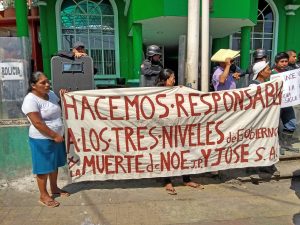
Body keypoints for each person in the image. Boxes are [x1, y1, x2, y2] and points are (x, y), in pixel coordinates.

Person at [21, 71, 70, 208]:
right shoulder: (30, 100)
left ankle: (54, 188)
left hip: (56, 138)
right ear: (33, 85)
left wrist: (62, 96)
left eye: (48, 81)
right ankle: (43, 195)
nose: (47, 84)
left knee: (53, 165)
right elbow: (37, 123)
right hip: (42, 139)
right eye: (43, 82)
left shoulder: (51, 94)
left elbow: (56, 108)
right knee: (43, 168)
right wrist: (54, 135)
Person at [155, 69, 203, 195]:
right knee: (167, 155)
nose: (174, 81)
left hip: (179, 127)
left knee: (184, 153)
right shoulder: (155, 94)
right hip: (164, 128)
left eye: (174, 78)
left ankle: (186, 179)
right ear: (165, 80)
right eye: (172, 78)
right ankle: (167, 181)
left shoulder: (177, 91)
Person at [248, 61, 280, 178]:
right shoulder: (253, 86)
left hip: (268, 120)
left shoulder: (267, 84)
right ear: (261, 72)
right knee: (256, 143)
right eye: (267, 69)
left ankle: (268, 164)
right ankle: (253, 169)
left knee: (269, 141)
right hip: (258, 121)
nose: (270, 71)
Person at [271, 52, 298, 154]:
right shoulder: (271, 73)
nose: (284, 63)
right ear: (276, 62)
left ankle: (286, 144)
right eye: (282, 61)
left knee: (291, 123)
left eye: (286, 61)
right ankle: (277, 146)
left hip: (288, 102)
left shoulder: (291, 73)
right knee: (275, 125)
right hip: (276, 104)